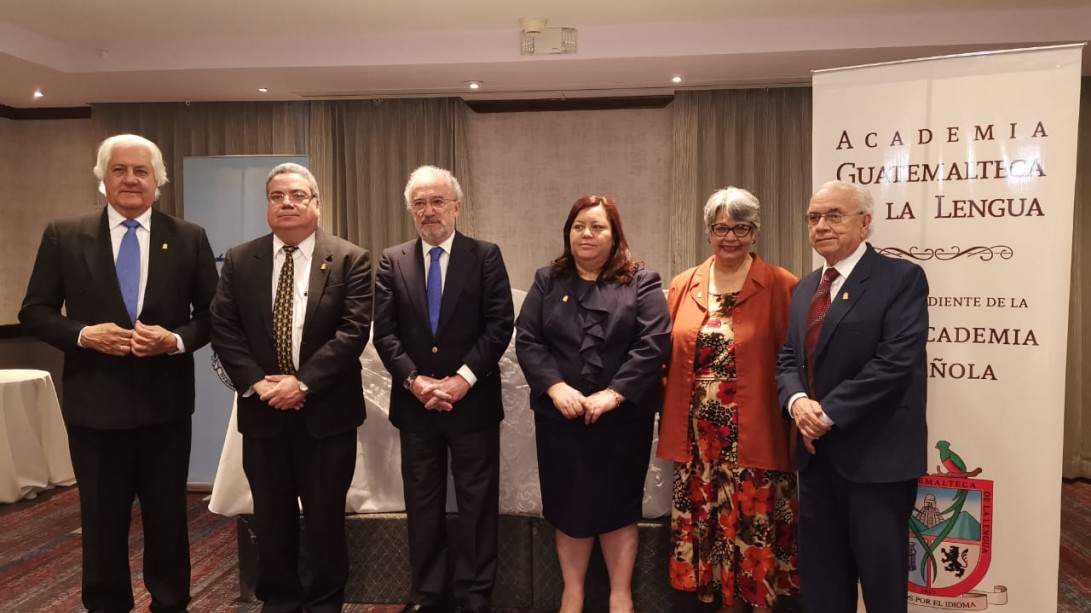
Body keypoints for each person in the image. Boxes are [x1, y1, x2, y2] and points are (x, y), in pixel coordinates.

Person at [19, 134, 219, 613]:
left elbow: (213, 315)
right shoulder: (64, 235)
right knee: (101, 520)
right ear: (102, 179)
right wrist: (86, 334)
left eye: (141, 171)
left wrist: (173, 341)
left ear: (158, 181)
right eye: (119, 170)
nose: (131, 179)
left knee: (168, 518)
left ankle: (171, 602)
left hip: (165, 407)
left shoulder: (188, 236)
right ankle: (106, 604)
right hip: (95, 406)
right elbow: (36, 311)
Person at [209, 162, 373, 613]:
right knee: (271, 517)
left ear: (316, 204)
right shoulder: (241, 259)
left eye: (297, 195)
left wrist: (303, 384)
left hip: (326, 414)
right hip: (263, 413)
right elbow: (224, 328)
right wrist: (259, 384)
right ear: (268, 206)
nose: (286, 203)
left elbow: (353, 331)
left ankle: (325, 603)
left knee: (324, 521)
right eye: (277, 195)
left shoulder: (349, 258)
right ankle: (278, 601)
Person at [775, 180, 928, 613]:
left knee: (882, 586)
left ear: (865, 223)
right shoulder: (806, 287)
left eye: (833, 216)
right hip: (816, 460)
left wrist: (827, 414)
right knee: (823, 585)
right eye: (813, 217)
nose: (821, 226)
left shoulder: (901, 279)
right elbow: (789, 358)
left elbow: (895, 362)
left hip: (877, 461)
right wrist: (797, 404)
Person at [515, 195, 671, 613]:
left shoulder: (643, 280)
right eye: (579, 225)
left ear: (615, 234)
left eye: (597, 227)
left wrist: (614, 393)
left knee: (619, 507)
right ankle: (573, 593)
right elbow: (528, 339)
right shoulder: (548, 280)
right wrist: (554, 387)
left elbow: (653, 343)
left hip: (622, 421)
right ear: (568, 232)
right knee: (569, 506)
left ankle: (621, 594)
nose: (587, 234)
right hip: (561, 418)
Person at [373, 165, 514, 613]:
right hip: (416, 406)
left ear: (456, 206)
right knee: (422, 504)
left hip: (472, 403)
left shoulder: (485, 255)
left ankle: (474, 595)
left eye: (437, 202)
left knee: (476, 504)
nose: (428, 211)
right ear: (410, 210)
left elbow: (499, 325)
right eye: (419, 203)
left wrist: (461, 380)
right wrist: (415, 382)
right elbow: (386, 335)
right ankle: (427, 595)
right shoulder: (392, 260)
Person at [658, 187, 800, 612]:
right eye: (721, 227)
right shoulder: (685, 284)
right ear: (708, 232)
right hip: (697, 438)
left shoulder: (782, 284)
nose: (730, 236)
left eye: (741, 227)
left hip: (757, 431)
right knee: (705, 523)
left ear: (755, 232)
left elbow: (796, 361)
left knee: (752, 523)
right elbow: (663, 357)